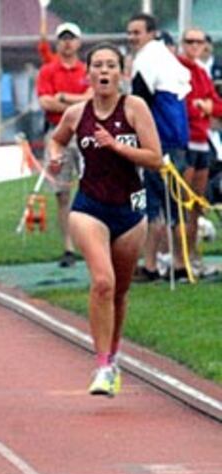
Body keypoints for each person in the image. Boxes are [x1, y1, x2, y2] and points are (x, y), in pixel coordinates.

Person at [48, 43, 162, 397]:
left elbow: (155, 158)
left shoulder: (134, 108)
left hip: (129, 211)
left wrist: (117, 147)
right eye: (98, 65)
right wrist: (55, 159)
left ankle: (112, 358)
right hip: (89, 208)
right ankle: (100, 366)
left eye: (111, 65)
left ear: (121, 73)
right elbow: (56, 141)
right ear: (88, 73)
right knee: (102, 282)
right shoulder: (76, 114)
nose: (104, 72)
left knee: (121, 292)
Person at [126, 14, 191, 281]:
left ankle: (159, 265)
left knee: (157, 204)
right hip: (176, 136)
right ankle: (172, 263)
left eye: (136, 32)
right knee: (173, 203)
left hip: (160, 139)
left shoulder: (146, 59)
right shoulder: (166, 57)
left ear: (151, 33)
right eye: (129, 33)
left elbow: (139, 102)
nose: (132, 38)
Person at [36, 22, 92, 268]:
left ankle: (91, 241)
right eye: (63, 39)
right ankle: (68, 246)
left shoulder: (87, 69)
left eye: (71, 39)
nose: (67, 43)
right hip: (58, 134)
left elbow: (92, 99)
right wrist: (76, 104)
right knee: (61, 192)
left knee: (93, 186)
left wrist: (65, 99)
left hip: (84, 133)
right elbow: (45, 103)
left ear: (78, 42)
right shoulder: (48, 70)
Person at [177, 28, 222, 277]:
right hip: (186, 141)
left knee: (197, 203)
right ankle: (179, 256)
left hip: (203, 141)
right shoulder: (178, 69)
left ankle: (192, 254)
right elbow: (183, 105)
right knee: (182, 202)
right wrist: (203, 108)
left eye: (199, 41)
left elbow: (217, 105)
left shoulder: (203, 72)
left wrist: (206, 106)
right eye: (189, 41)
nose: (194, 45)